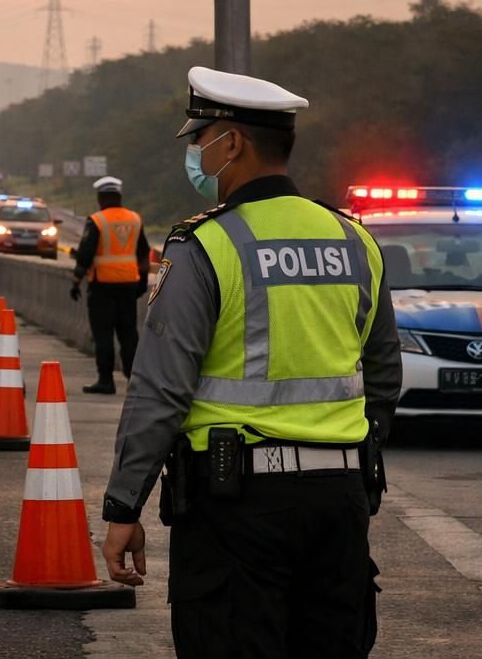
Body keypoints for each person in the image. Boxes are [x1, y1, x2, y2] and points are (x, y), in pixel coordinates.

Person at [99, 66, 402, 658]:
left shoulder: (207, 244)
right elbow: (384, 374)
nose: (195, 155)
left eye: (198, 139)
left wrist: (123, 506)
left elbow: (160, 391)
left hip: (235, 506)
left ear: (231, 142)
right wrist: (351, 459)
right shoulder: (353, 239)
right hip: (339, 503)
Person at [69, 176, 150, 394]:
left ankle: (106, 380)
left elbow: (85, 255)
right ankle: (134, 380)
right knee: (128, 333)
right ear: (119, 196)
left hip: (103, 286)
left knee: (103, 333)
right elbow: (143, 252)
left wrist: (76, 281)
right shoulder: (135, 219)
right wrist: (141, 281)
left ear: (100, 198)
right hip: (129, 285)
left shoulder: (97, 220)